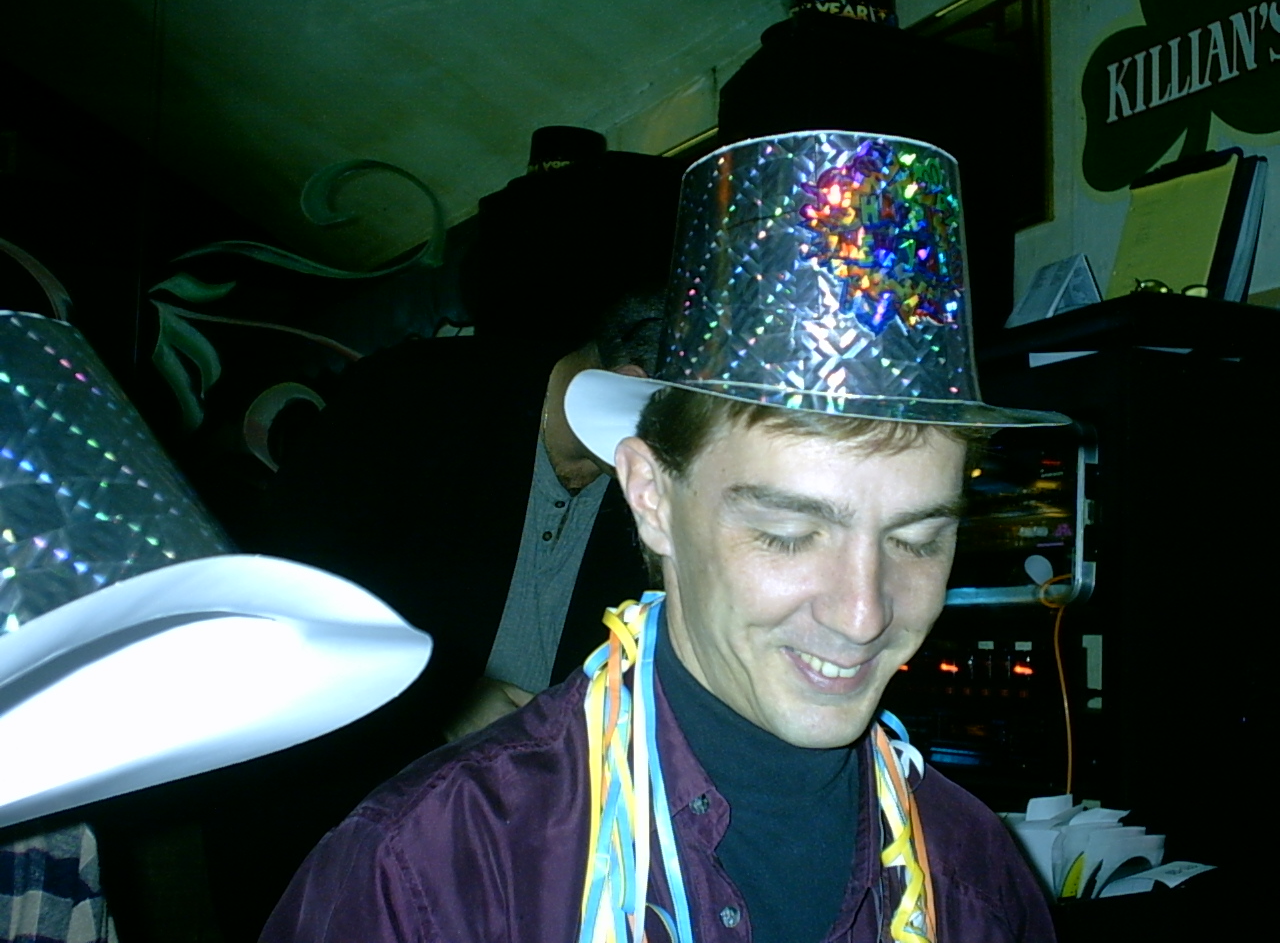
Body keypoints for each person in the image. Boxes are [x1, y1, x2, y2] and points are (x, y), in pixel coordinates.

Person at [261, 131, 1067, 943]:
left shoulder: (975, 878)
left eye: (917, 540)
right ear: (650, 497)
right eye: (788, 533)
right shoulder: (432, 875)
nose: (863, 615)